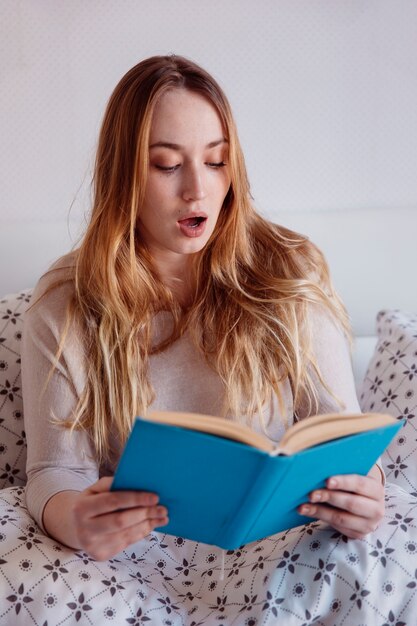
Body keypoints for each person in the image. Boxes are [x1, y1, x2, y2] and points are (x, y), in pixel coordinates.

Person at [21, 54, 384, 563]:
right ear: (122, 173)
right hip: (139, 560)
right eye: (167, 164)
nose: (198, 189)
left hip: (278, 549)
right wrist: (74, 519)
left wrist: (366, 490)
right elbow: (53, 473)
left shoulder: (288, 270)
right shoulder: (67, 302)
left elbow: (343, 435)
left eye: (216, 161)